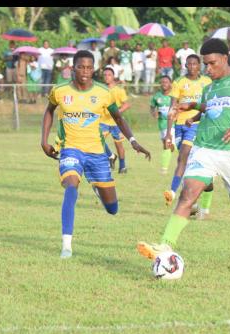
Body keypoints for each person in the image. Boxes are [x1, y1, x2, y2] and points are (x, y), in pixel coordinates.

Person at [137, 38, 230, 261]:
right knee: (187, 195)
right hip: (205, 147)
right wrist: (195, 107)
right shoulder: (208, 88)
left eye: (212, 63)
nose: (208, 68)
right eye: (205, 64)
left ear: (225, 59)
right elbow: (213, 108)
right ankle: (165, 246)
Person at [40, 50, 151, 259]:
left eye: (89, 67)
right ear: (73, 68)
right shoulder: (59, 90)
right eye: (80, 67)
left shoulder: (103, 92)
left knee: (112, 209)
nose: (85, 71)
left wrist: (134, 142)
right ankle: (66, 246)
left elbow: (118, 118)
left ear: (94, 70)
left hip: (98, 153)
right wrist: (43, 141)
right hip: (71, 149)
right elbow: (49, 111)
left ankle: (98, 188)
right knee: (71, 186)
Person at [163, 54, 213, 216]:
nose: (191, 66)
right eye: (189, 64)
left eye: (194, 64)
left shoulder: (207, 82)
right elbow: (172, 108)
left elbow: (210, 105)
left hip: (198, 125)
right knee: (193, 166)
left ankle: (172, 191)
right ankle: (198, 204)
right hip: (179, 126)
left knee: (182, 158)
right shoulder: (179, 83)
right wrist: (169, 133)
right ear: (185, 65)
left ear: (199, 66)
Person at [101, 67, 132, 174]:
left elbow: (127, 104)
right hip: (103, 121)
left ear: (113, 76)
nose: (106, 77)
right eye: (104, 75)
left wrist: (117, 112)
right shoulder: (101, 90)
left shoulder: (119, 90)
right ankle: (111, 155)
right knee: (97, 140)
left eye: (109, 75)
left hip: (116, 123)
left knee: (119, 145)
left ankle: (122, 167)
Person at [150, 75, 175, 174]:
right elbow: (152, 107)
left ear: (170, 84)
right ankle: (177, 148)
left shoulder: (174, 96)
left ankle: (164, 169)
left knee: (166, 143)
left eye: (166, 82)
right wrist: (154, 113)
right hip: (161, 124)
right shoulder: (157, 96)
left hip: (172, 124)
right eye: (162, 82)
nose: (164, 84)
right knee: (167, 146)